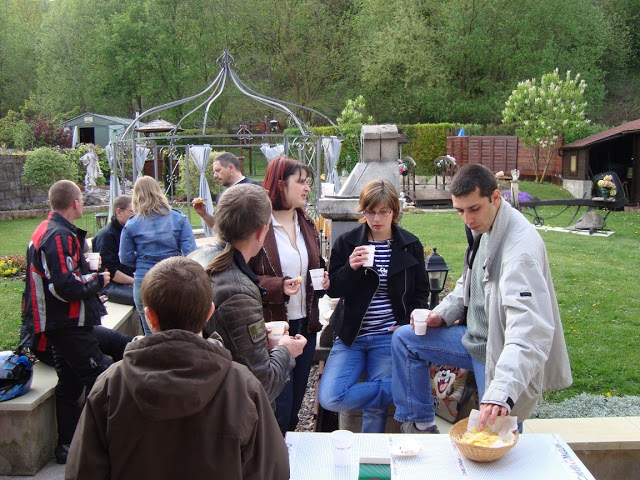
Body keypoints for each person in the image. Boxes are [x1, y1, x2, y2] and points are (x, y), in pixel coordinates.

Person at [65, 257, 290, 480]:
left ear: (149, 316)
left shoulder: (110, 386)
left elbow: (82, 471)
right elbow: (273, 471)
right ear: (209, 312)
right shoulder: (242, 386)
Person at [391, 163, 572, 434]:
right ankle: (421, 424)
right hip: (472, 339)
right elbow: (471, 277)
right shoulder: (485, 225)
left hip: (499, 353)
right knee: (405, 339)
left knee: (496, 439)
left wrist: (501, 391)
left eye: (473, 208)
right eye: (460, 211)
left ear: (495, 197)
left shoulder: (519, 252)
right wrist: (443, 313)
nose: (467, 218)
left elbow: (529, 329)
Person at [20, 180, 131, 464]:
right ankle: (117, 445)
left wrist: (87, 277)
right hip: (65, 325)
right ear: (75, 203)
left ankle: (66, 447)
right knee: (104, 377)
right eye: (81, 198)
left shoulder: (51, 230)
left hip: (65, 324)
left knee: (69, 386)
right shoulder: (57, 235)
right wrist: (98, 280)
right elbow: (64, 285)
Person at [318, 179, 430, 432]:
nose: (377, 218)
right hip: (351, 336)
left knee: (375, 410)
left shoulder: (409, 245)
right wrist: (351, 268)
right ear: (363, 211)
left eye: (384, 212)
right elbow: (334, 289)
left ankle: (371, 465)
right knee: (331, 397)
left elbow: (420, 292)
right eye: (370, 211)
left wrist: (404, 324)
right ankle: (399, 389)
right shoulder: (347, 243)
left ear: (394, 212)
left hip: (387, 336)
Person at [188, 183, 306, 404]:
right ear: (262, 231)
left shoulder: (196, 257)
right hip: (227, 411)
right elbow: (262, 385)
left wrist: (259, 333)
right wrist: (286, 350)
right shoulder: (238, 293)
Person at [249, 156, 329, 434]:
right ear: (280, 184)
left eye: (307, 182)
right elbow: (241, 276)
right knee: (277, 404)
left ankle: (288, 457)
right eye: (301, 182)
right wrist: (276, 286)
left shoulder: (305, 222)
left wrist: (322, 277)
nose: (307, 188)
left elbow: (313, 265)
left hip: (305, 324)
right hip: (273, 327)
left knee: (295, 401)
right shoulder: (259, 225)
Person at [120, 176, 197, 335]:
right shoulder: (178, 218)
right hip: (173, 276)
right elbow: (191, 253)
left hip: (143, 278)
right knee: (180, 328)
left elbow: (125, 258)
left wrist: (142, 262)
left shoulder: (131, 224)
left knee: (150, 332)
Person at [193, 152, 262, 230]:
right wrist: (204, 214)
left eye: (218, 170)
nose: (215, 175)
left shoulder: (254, 188)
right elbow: (218, 227)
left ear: (231, 168)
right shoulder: (222, 197)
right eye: (214, 172)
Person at [93, 195, 135, 305]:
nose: (135, 216)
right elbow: (111, 273)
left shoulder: (127, 231)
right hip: (109, 285)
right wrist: (137, 281)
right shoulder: (106, 235)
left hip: (126, 280)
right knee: (143, 296)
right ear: (119, 212)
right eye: (132, 211)